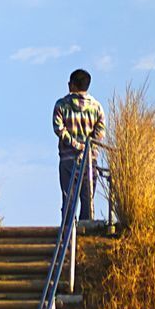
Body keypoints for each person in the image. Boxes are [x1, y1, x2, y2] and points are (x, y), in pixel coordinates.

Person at [52, 68, 106, 220]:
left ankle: (68, 232)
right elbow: (100, 132)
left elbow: (58, 128)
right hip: (89, 160)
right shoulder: (97, 107)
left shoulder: (61, 105)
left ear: (73, 85)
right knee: (87, 198)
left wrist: (74, 144)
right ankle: (85, 231)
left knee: (68, 198)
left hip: (68, 159)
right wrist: (88, 147)